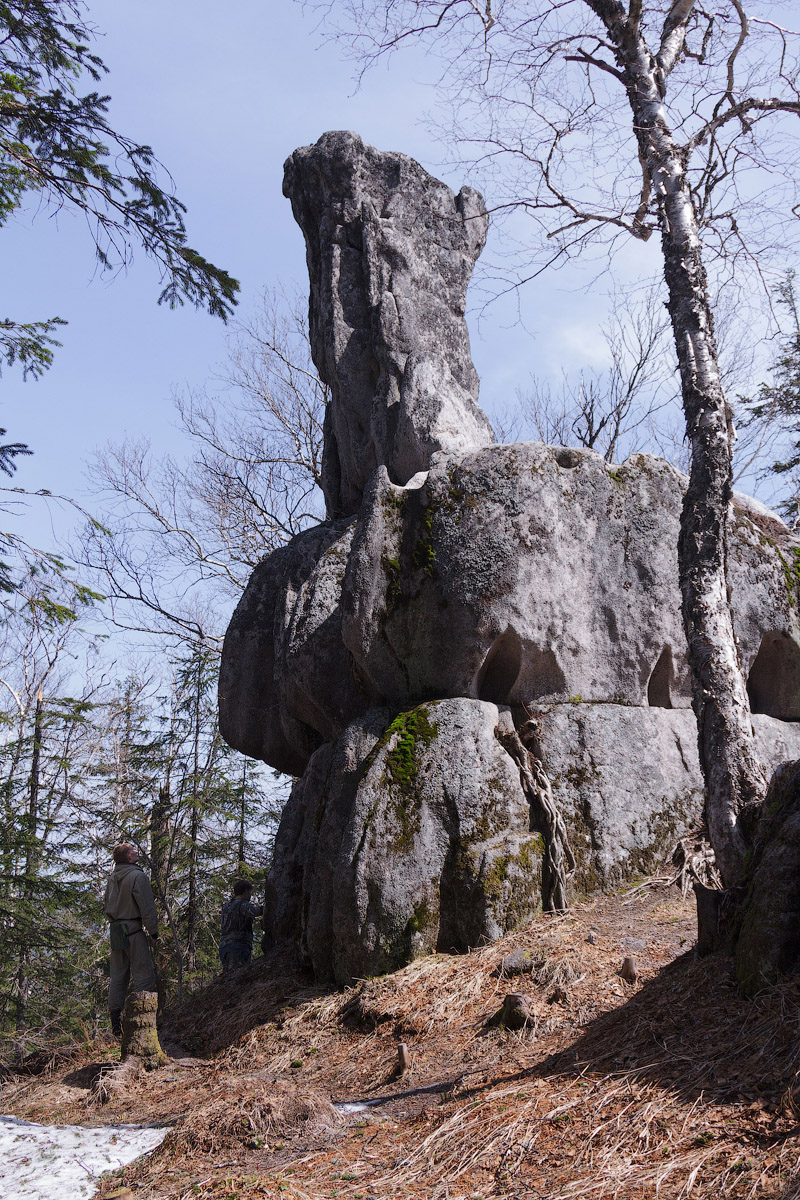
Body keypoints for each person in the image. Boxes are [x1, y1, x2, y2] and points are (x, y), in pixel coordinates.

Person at [103, 843, 159, 1036]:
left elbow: (106, 903)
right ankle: (141, 1022)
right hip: (134, 930)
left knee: (118, 977)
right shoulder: (138, 876)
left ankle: (116, 1024)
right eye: (133, 851)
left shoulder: (112, 878)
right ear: (128, 857)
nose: (137, 852)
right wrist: (153, 932)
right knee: (143, 974)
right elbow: (147, 907)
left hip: (116, 930)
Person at [219, 880, 264, 970]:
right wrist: (270, 905)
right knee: (237, 974)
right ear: (246, 891)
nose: (250, 895)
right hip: (238, 947)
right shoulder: (241, 905)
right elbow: (256, 911)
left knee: (229, 974)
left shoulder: (226, 905)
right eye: (250, 892)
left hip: (225, 947)